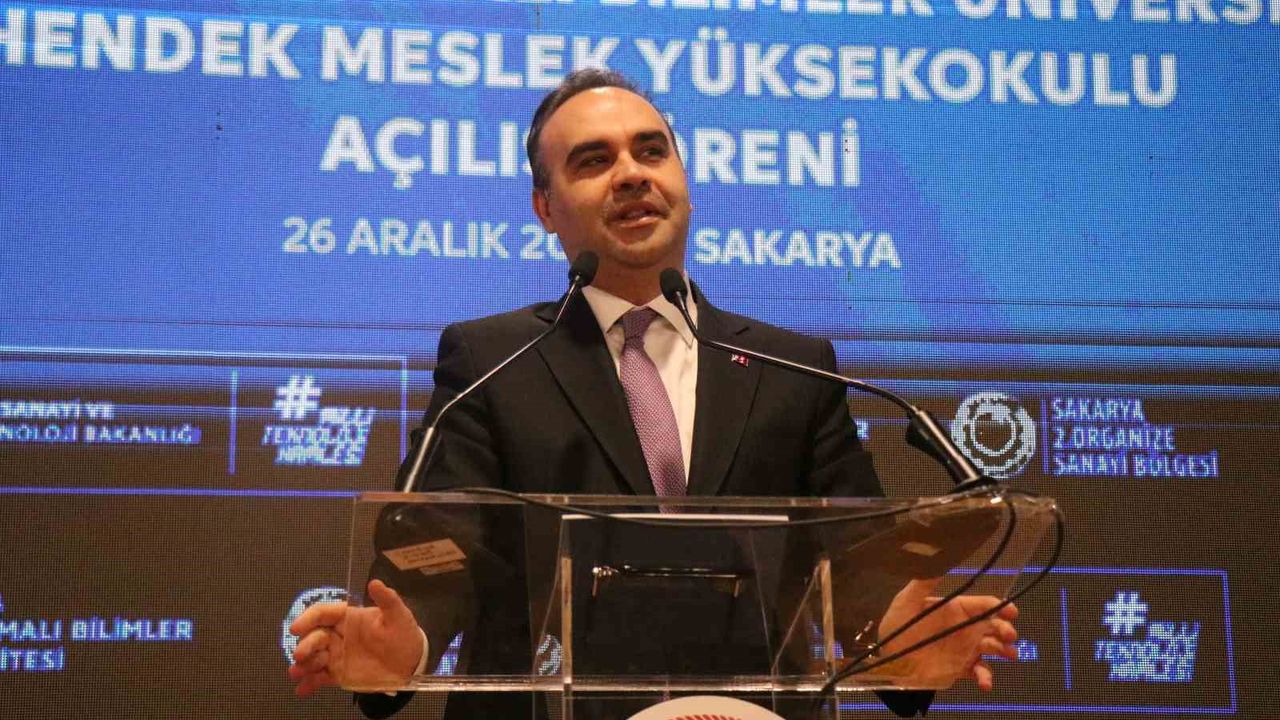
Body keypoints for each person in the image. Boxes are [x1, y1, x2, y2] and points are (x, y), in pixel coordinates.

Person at [288, 69, 1020, 718]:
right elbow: (443, 544)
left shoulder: (795, 368)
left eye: (651, 151)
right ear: (545, 207)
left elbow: (854, 558)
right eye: (594, 161)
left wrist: (896, 637)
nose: (631, 174)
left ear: (684, 180)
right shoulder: (493, 362)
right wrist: (405, 642)